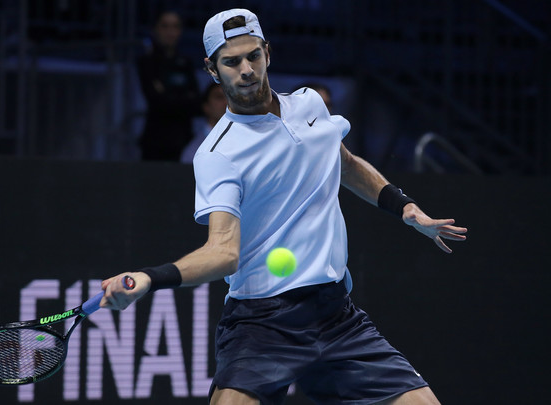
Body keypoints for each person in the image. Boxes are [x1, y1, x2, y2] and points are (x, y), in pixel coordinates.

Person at [101, 9, 467, 405]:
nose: (245, 70)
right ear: (211, 69)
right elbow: (223, 252)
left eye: (253, 56)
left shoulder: (310, 104)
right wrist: (151, 278)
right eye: (231, 61)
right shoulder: (218, 153)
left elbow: (343, 162)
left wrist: (404, 206)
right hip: (262, 324)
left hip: (336, 316)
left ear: (267, 53)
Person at [136, 10, 200, 161]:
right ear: (155, 29)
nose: (170, 32)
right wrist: (183, 98)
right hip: (155, 141)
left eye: (175, 26)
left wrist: (168, 96)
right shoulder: (146, 62)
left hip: (184, 139)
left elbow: (196, 103)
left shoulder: (186, 63)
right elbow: (156, 101)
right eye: (165, 26)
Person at [180, 82, 228, 163]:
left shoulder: (245, 139)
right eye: (219, 97)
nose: (227, 102)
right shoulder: (193, 152)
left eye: (230, 97)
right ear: (206, 107)